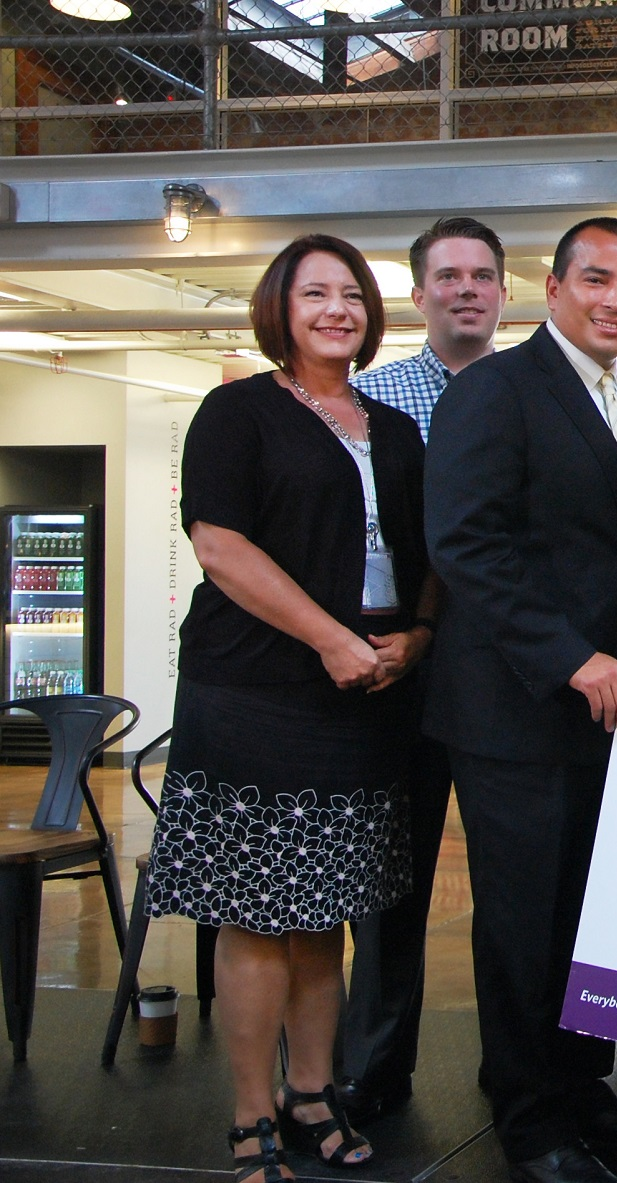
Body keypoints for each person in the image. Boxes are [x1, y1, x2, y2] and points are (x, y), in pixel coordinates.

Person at [142, 234, 439, 1183]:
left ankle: (315, 1093)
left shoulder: (391, 427)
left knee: (327, 910)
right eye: (316, 294)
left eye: (351, 295)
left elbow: (428, 553)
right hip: (257, 693)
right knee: (258, 914)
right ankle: (251, 1110)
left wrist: (418, 638)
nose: (336, 311)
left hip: (369, 695)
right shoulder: (237, 412)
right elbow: (220, 545)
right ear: (281, 306)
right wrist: (328, 637)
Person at [424, 216, 617, 1183]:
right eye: (597, 280)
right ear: (553, 286)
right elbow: (466, 544)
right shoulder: (496, 389)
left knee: (589, 918)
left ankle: (585, 1097)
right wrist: (572, 656)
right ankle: (530, 1118)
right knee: (521, 924)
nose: (616, 300)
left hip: (601, 720)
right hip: (516, 713)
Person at [340, 214, 506, 1126]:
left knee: (513, 888)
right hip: (405, 667)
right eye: (449, 276)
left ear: (507, 290)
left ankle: (515, 1067)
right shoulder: (377, 401)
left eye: (483, 274)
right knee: (391, 880)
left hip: (510, 674)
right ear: (418, 295)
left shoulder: (535, 389)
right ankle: (374, 1064)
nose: (467, 289)